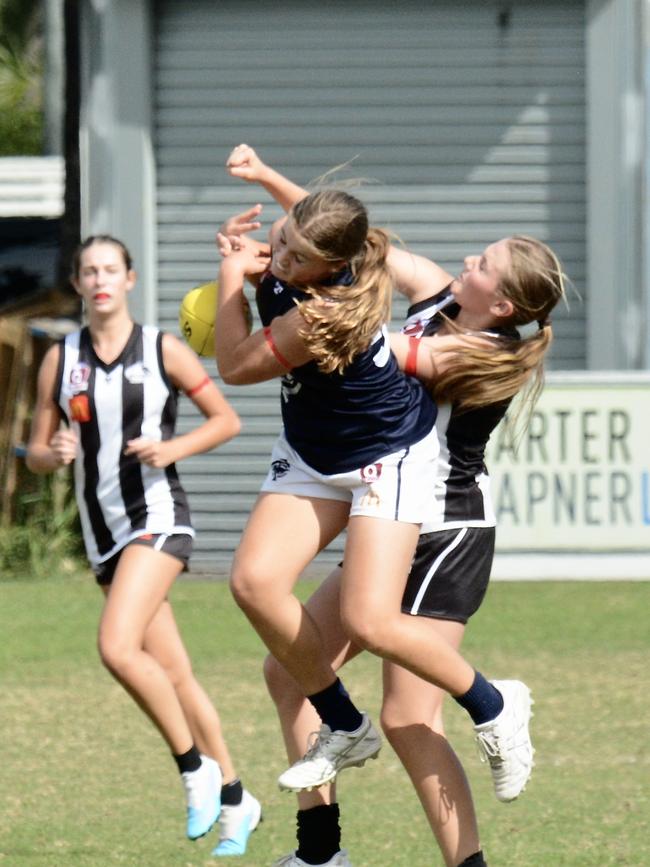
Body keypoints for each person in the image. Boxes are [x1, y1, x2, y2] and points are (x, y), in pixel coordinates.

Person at [220, 145, 565, 867]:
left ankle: (477, 816)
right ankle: (321, 853)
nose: (468, 257)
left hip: (444, 526)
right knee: (290, 671)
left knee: (409, 715)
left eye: (484, 261)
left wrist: (307, 300)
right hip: (385, 500)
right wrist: (272, 189)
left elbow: (359, 335)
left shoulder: (480, 354)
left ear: (501, 302)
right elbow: (340, 235)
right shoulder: (439, 293)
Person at [26, 235, 262, 857]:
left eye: (111, 269)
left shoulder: (163, 349)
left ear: (130, 279)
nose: (100, 279)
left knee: (115, 644)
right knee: (175, 674)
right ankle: (237, 797)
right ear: (77, 284)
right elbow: (39, 452)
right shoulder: (61, 357)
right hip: (101, 530)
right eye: (88, 271)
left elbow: (226, 420)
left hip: (157, 517)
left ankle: (194, 769)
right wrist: (53, 454)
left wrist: (172, 449)